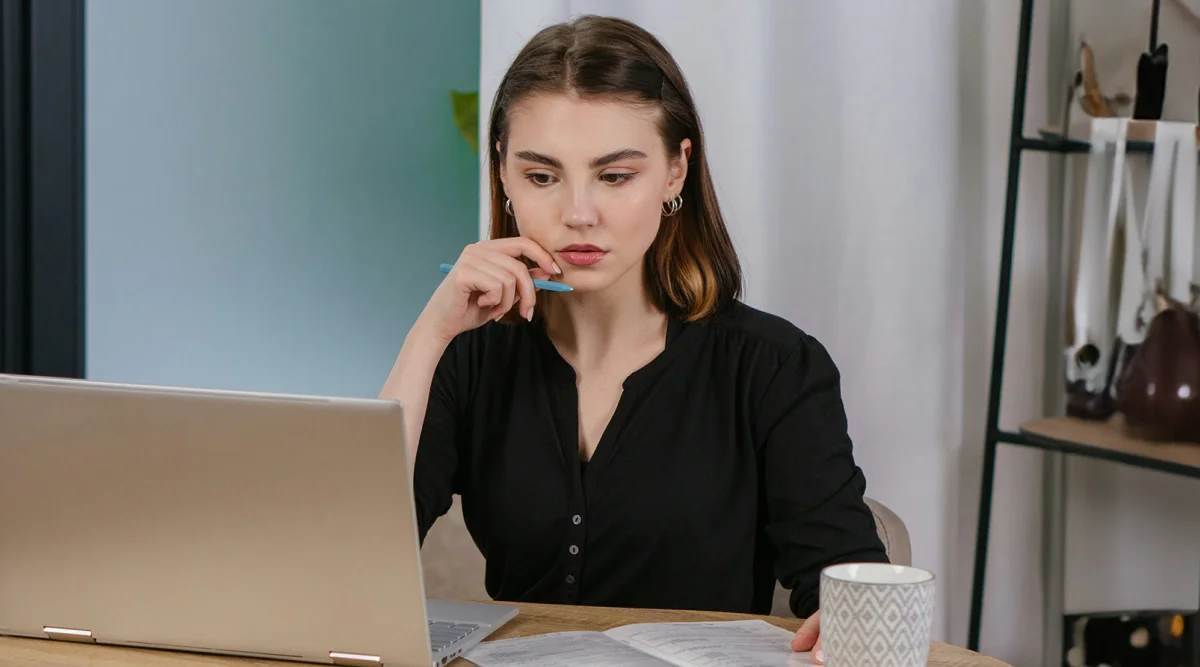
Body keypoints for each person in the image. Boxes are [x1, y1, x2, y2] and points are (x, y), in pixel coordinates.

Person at [379, 15, 888, 662]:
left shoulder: (774, 367)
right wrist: (432, 330)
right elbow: (356, 563)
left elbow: (851, 597)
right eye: (542, 176)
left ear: (676, 172)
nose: (578, 213)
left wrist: (839, 626)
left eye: (615, 175)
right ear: (502, 173)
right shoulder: (469, 358)